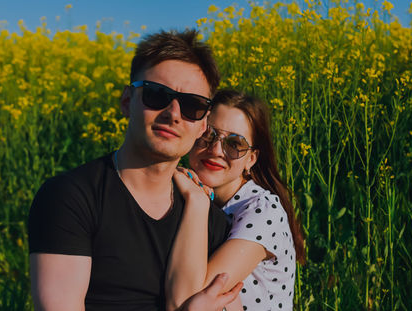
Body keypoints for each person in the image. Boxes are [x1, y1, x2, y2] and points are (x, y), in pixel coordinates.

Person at [28, 29, 238, 311]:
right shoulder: (70, 198)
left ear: (203, 125)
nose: (174, 113)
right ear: (127, 101)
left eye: (192, 105)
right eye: (156, 95)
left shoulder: (210, 221)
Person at [166, 90, 306, 311]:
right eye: (208, 134)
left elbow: (186, 299)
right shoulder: (188, 193)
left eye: (235, 144)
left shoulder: (263, 209)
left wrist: (195, 200)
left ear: (251, 159)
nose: (215, 150)